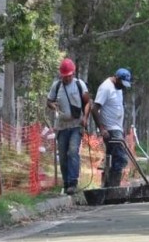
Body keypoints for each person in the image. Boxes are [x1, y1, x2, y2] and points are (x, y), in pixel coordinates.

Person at [46, 58, 91, 195]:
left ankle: (73, 182)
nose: (67, 78)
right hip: (61, 126)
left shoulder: (80, 85)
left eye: (69, 76)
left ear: (73, 74)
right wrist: (54, 106)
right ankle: (66, 183)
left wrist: (85, 117)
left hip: (76, 126)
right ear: (62, 75)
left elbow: (88, 103)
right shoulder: (56, 86)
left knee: (72, 151)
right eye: (65, 76)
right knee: (63, 157)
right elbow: (49, 101)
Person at [92, 67, 132, 187]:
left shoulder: (118, 88)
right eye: (122, 83)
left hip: (117, 128)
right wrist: (102, 128)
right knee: (121, 158)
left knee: (112, 159)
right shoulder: (106, 88)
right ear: (117, 78)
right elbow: (94, 109)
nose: (123, 87)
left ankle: (107, 186)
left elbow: (118, 108)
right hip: (110, 129)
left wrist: (122, 128)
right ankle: (114, 187)